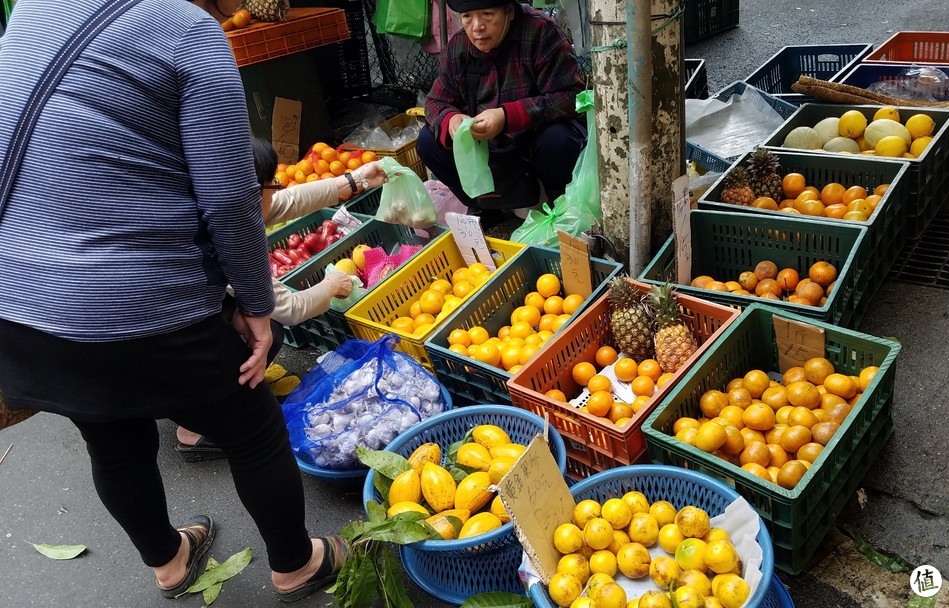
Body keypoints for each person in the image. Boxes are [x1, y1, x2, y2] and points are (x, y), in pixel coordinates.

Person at [0, 0, 344, 601]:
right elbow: (231, 196)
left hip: (25, 304)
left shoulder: (31, 9)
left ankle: (171, 563)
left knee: (110, 436)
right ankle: (296, 565)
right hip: (139, 297)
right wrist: (256, 306)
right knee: (252, 427)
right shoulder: (184, 28)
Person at [175, 137, 387, 462]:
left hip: (130, 342)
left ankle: (198, 400)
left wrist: (353, 180)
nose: (278, 187)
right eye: (271, 182)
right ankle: (195, 428)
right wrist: (331, 286)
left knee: (252, 317)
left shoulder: (209, 203)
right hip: (165, 350)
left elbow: (287, 201)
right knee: (265, 325)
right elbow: (288, 308)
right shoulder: (227, 239)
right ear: (250, 189)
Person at [417, 0, 587, 218]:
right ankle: (484, 203)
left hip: (533, 144)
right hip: (489, 151)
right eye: (467, 16)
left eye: (487, 13)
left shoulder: (541, 32)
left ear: (509, 11)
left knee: (558, 139)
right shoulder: (458, 47)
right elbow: (435, 102)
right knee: (427, 142)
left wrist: (508, 116)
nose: (477, 26)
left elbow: (571, 97)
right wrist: (451, 119)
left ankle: (559, 201)